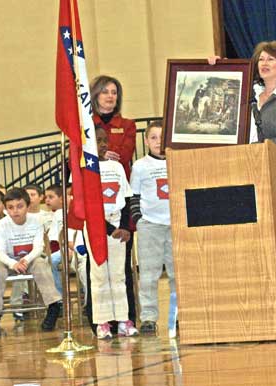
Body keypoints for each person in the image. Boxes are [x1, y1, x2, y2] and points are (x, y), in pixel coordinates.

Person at [211, 41, 276, 320]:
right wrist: (215, 68)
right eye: (261, 60)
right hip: (252, 177)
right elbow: (219, 99)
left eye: (271, 59)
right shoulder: (248, 94)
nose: (265, 64)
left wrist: (254, 158)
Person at [0, 188, 62, 336]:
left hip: (30, 259)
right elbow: (0, 252)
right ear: (6, 209)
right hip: (9, 260)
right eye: (11, 207)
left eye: (19, 206)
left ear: (27, 206)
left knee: (41, 264)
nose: (15, 211)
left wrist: (26, 260)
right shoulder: (2, 224)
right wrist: (13, 264)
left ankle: (53, 306)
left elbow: (39, 247)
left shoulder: (36, 221)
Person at [89, 126, 138, 339]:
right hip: (97, 227)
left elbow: (126, 198)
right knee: (100, 275)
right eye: (97, 141)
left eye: (104, 141)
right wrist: (110, 230)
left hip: (119, 225)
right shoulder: (85, 169)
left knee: (118, 275)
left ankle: (123, 319)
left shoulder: (116, 166)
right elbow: (88, 206)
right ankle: (102, 322)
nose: (102, 145)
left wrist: (125, 227)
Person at [130, 120, 176, 336]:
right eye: (153, 137)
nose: (158, 142)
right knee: (148, 275)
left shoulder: (177, 161)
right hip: (150, 226)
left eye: (162, 136)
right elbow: (134, 196)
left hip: (175, 225)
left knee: (178, 275)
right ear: (147, 141)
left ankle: (178, 315)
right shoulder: (140, 166)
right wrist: (139, 219)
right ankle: (148, 317)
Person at [90, 75, 137, 179]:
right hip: (92, 180)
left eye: (114, 92)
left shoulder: (128, 125)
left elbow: (125, 156)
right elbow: (75, 158)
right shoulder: (86, 125)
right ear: (95, 95)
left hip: (118, 181)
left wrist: (97, 152)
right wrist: (104, 153)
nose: (110, 96)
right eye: (105, 92)